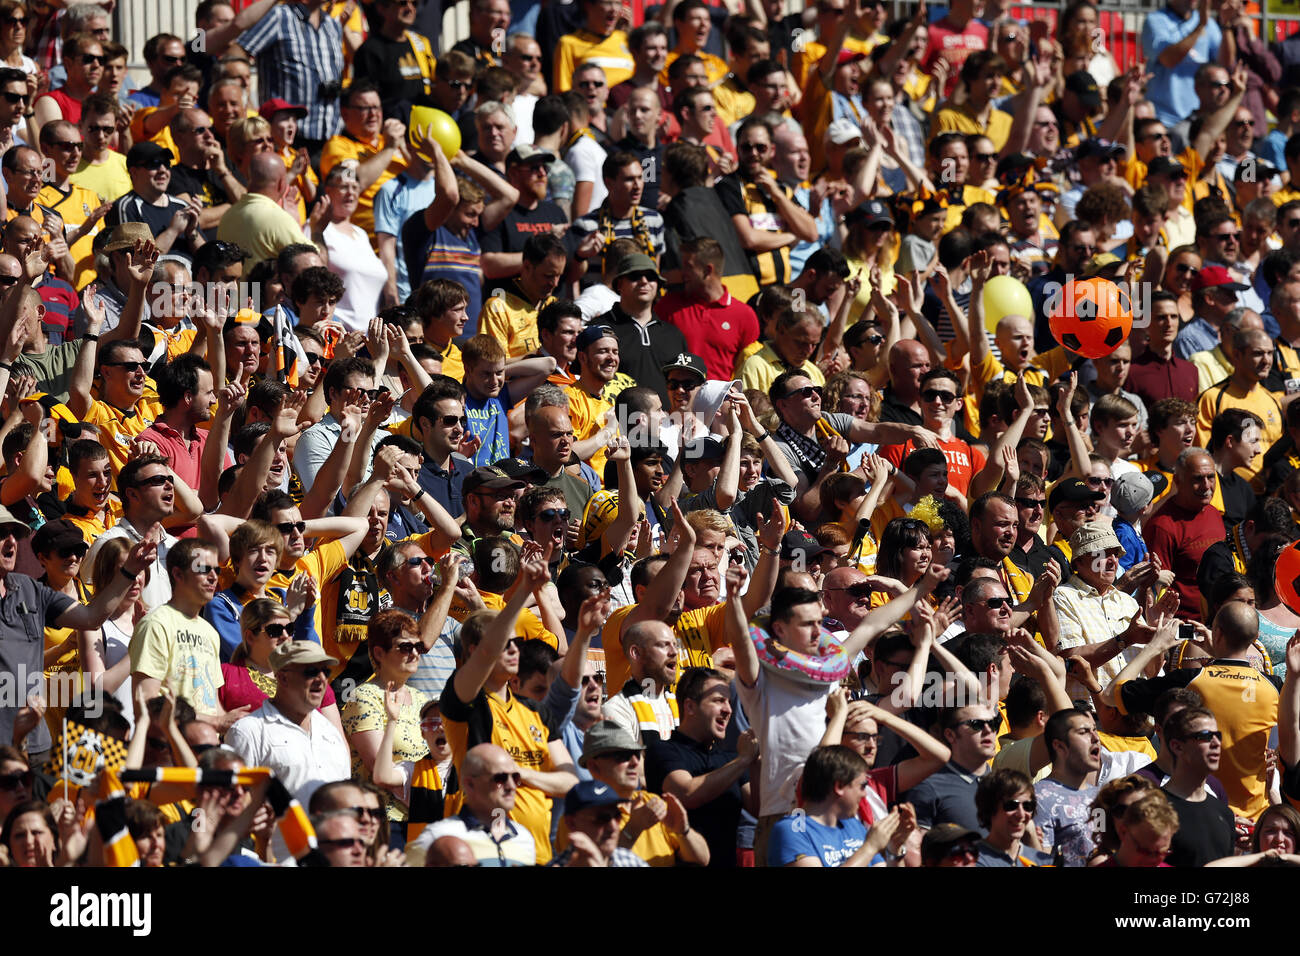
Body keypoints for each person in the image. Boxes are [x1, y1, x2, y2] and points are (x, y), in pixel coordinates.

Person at [224, 640, 351, 859]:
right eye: (311, 671)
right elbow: (230, 808)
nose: (321, 679)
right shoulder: (248, 731)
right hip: (276, 859)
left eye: (325, 671)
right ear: (282, 677)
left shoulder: (331, 733)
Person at [643, 665, 756, 868]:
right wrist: (743, 761)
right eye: (718, 701)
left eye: (728, 702)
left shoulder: (730, 760)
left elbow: (758, 808)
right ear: (690, 707)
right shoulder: (662, 751)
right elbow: (686, 794)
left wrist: (756, 762)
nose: (728, 710)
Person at [767, 745, 907, 867]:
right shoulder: (793, 829)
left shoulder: (853, 825)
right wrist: (870, 847)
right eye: (862, 786)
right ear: (839, 786)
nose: (865, 795)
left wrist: (895, 849)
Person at [1159, 705, 1235, 867]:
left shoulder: (1224, 812)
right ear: (1177, 746)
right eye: (1206, 736)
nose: (1216, 743)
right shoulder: (1154, 809)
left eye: (1218, 735)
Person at [1033, 706, 1101, 867]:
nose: (1096, 738)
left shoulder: (1100, 796)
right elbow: (1039, 861)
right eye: (1084, 732)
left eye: (1095, 730)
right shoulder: (1039, 798)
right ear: (1059, 746)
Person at [975, 768, 1053, 867]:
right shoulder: (970, 860)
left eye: (1027, 806)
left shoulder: (1044, 862)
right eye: (1011, 805)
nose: (1021, 814)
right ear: (990, 808)